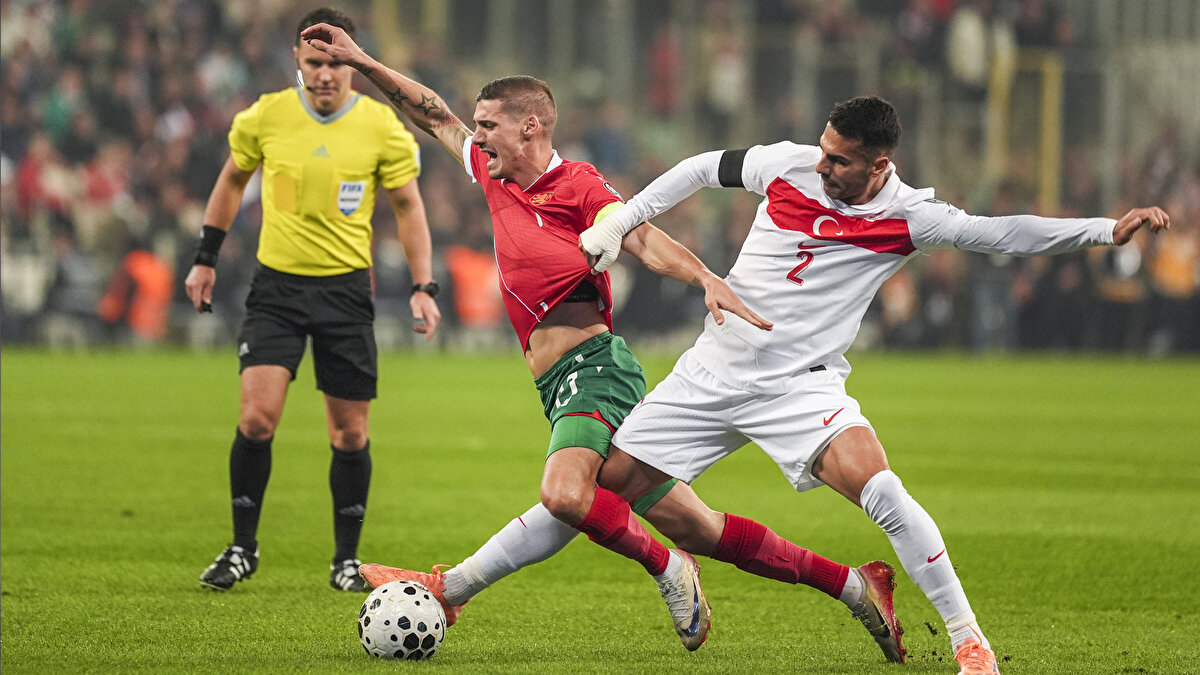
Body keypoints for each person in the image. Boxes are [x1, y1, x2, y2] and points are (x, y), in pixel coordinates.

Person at [301, 24, 909, 659]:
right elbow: (433, 115)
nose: (475, 137)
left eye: (488, 126)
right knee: (695, 525)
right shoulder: (493, 172)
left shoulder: (579, 185)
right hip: (557, 382)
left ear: (530, 127)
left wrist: (705, 277)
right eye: (476, 127)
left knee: (565, 494)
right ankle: (855, 586)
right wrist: (363, 61)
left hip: (594, 370)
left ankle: (661, 569)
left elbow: (641, 236)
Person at [577, 96, 1170, 674]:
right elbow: (701, 167)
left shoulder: (909, 216)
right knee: (597, 489)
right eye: (823, 149)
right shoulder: (788, 164)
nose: (821, 166)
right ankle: (685, 570)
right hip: (711, 370)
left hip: (799, 388)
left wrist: (1104, 230)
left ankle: (970, 643)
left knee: (883, 491)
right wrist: (623, 218)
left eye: (839, 160)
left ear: (879, 165)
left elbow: (1002, 233)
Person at [185, 7, 442, 593]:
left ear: (352, 62)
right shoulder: (266, 116)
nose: (324, 75)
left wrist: (424, 286)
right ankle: (242, 548)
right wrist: (205, 257)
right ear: (297, 63)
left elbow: (408, 207)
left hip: (345, 293)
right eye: (313, 64)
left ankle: (346, 561)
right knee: (256, 418)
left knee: (349, 435)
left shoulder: (381, 127)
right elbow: (231, 181)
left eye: (334, 64)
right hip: (276, 289)